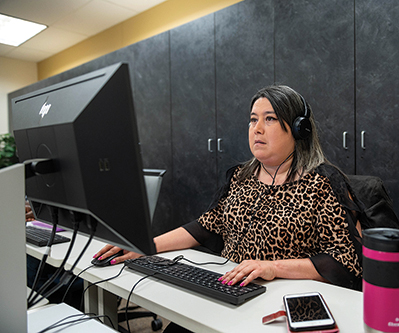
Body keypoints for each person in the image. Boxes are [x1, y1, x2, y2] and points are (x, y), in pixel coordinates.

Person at [94, 85, 364, 290]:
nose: (256, 128)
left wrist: (272, 267)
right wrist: (146, 245)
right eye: (252, 119)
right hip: (231, 289)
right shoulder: (240, 177)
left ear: (298, 129)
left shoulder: (323, 183)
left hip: (284, 297)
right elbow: (205, 226)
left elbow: (345, 260)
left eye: (269, 119)